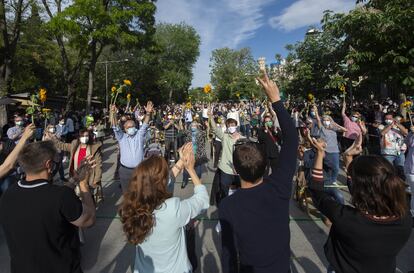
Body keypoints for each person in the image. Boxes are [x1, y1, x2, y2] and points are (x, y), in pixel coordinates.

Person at [219, 73, 298, 273]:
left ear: (235, 170)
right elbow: (292, 139)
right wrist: (276, 100)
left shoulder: (228, 205)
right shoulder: (279, 186)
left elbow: (228, 254)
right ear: (265, 166)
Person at [308, 137, 412, 273]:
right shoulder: (405, 219)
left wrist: (320, 153)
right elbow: (364, 193)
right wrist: (348, 158)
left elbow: (317, 192)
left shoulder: (345, 218)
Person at [0, 141, 96, 273]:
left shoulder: (8, 194)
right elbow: (88, 219)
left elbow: (47, 199)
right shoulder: (60, 197)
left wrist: (75, 178)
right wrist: (84, 184)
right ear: (49, 164)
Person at [119, 143, 209, 273]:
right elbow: (203, 199)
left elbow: (164, 181)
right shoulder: (173, 209)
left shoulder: (131, 207)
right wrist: (190, 169)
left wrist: (181, 162)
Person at [111, 101, 153, 193]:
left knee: (140, 192)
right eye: (128, 127)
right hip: (125, 171)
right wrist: (113, 113)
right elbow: (115, 127)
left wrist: (148, 113)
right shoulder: (122, 137)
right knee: (127, 193)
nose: (131, 128)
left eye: (133, 126)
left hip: (139, 169)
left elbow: (145, 124)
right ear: (125, 129)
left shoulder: (139, 135)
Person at [181, 120, 208, 188]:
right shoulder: (188, 132)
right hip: (189, 153)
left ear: (197, 126)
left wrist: (206, 126)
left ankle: (197, 183)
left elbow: (206, 133)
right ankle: (184, 181)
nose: (193, 127)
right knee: (186, 170)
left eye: (195, 126)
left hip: (198, 154)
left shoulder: (201, 133)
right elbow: (182, 131)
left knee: (198, 171)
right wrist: (181, 124)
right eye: (192, 125)